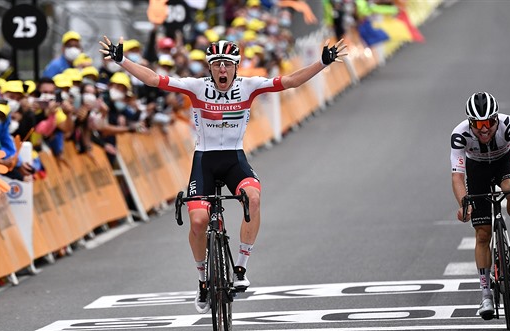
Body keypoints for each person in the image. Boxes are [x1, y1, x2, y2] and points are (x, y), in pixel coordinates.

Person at [99, 35, 347, 313]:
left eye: (227, 65)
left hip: (233, 159)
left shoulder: (249, 86)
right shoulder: (196, 87)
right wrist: (122, 61)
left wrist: (322, 63)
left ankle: (240, 268)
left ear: (236, 67)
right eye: (216, 64)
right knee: (198, 220)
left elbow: (289, 81)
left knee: (252, 197)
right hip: (204, 159)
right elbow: (155, 80)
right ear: (209, 68)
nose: (221, 70)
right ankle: (204, 281)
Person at [450, 91, 510, 320]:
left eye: (489, 122)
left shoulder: (509, 126)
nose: (484, 128)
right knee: (482, 234)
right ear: (470, 123)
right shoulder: (459, 135)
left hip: (503, 162)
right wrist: (464, 204)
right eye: (478, 124)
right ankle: (486, 294)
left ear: (496, 119)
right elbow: (457, 177)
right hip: (476, 169)